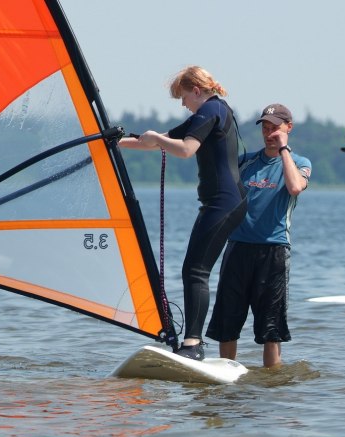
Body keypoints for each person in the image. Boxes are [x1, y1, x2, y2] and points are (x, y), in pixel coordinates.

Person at [119, 66, 247, 360]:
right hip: (224, 202)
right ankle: (193, 342)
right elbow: (153, 141)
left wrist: (155, 137)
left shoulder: (210, 110)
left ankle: (193, 344)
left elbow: (186, 149)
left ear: (197, 91)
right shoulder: (213, 111)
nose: (182, 104)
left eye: (183, 97)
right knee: (194, 269)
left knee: (195, 270)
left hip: (224, 202)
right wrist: (111, 143)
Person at [206, 103, 311, 368]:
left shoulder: (300, 163)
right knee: (227, 324)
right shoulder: (245, 162)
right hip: (237, 248)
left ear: (288, 128)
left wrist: (284, 149)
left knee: (270, 330)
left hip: (273, 251)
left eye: (274, 127)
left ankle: (271, 383)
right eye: (265, 128)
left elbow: (295, 187)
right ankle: (225, 376)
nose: (269, 133)